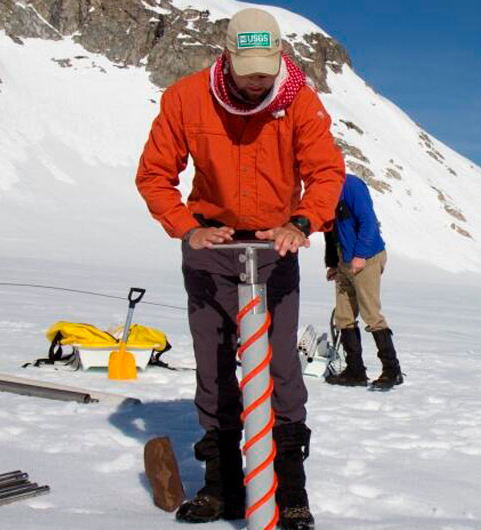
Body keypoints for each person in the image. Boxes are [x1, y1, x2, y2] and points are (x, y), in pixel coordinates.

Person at [135, 8, 344, 530]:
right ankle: (220, 486)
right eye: (247, 67)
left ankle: (290, 490)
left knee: (281, 370)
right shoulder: (186, 98)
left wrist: (302, 221)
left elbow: (325, 172)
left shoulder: (299, 100)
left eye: (265, 69)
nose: (257, 80)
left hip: (277, 250)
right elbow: (155, 174)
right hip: (211, 250)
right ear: (225, 55)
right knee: (214, 367)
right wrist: (187, 227)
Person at [322, 174, 403, 390]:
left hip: (366, 257)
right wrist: (333, 263)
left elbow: (368, 222)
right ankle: (355, 371)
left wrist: (360, 255)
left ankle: (392, 370)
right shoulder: (324, 187)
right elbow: (330, 230)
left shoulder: (351, 185)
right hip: (344, 260)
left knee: (371, 313)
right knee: (343, 316)